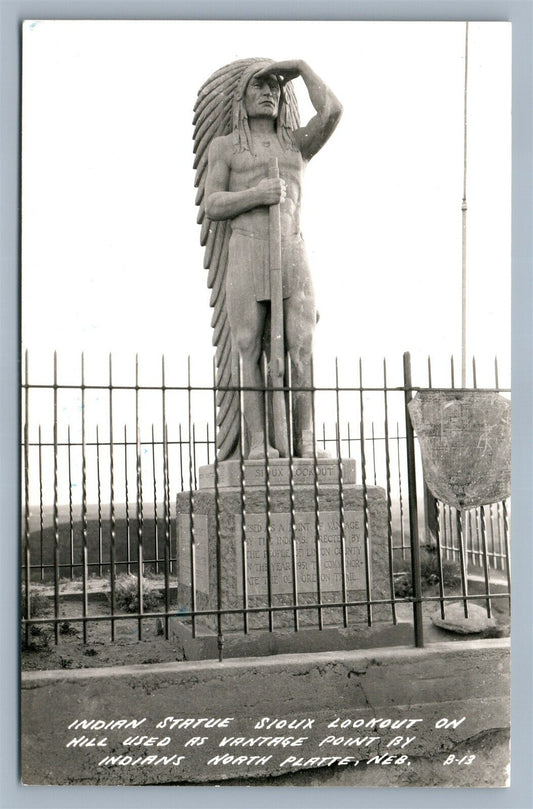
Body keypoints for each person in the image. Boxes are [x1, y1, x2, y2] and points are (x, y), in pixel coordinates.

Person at [199, 59, 342, 459]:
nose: (269, 92)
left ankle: (305, 439)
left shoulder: (297, 143)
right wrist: (255, 195)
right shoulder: (225, 147)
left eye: (276, 88)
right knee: (249, 346)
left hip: (290, 246)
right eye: (258, 86)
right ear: (241, 99)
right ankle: (259, 443)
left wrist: (301, 66)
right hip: (247, 247)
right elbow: (213, 202)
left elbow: (332, 110)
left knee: (302, 345)